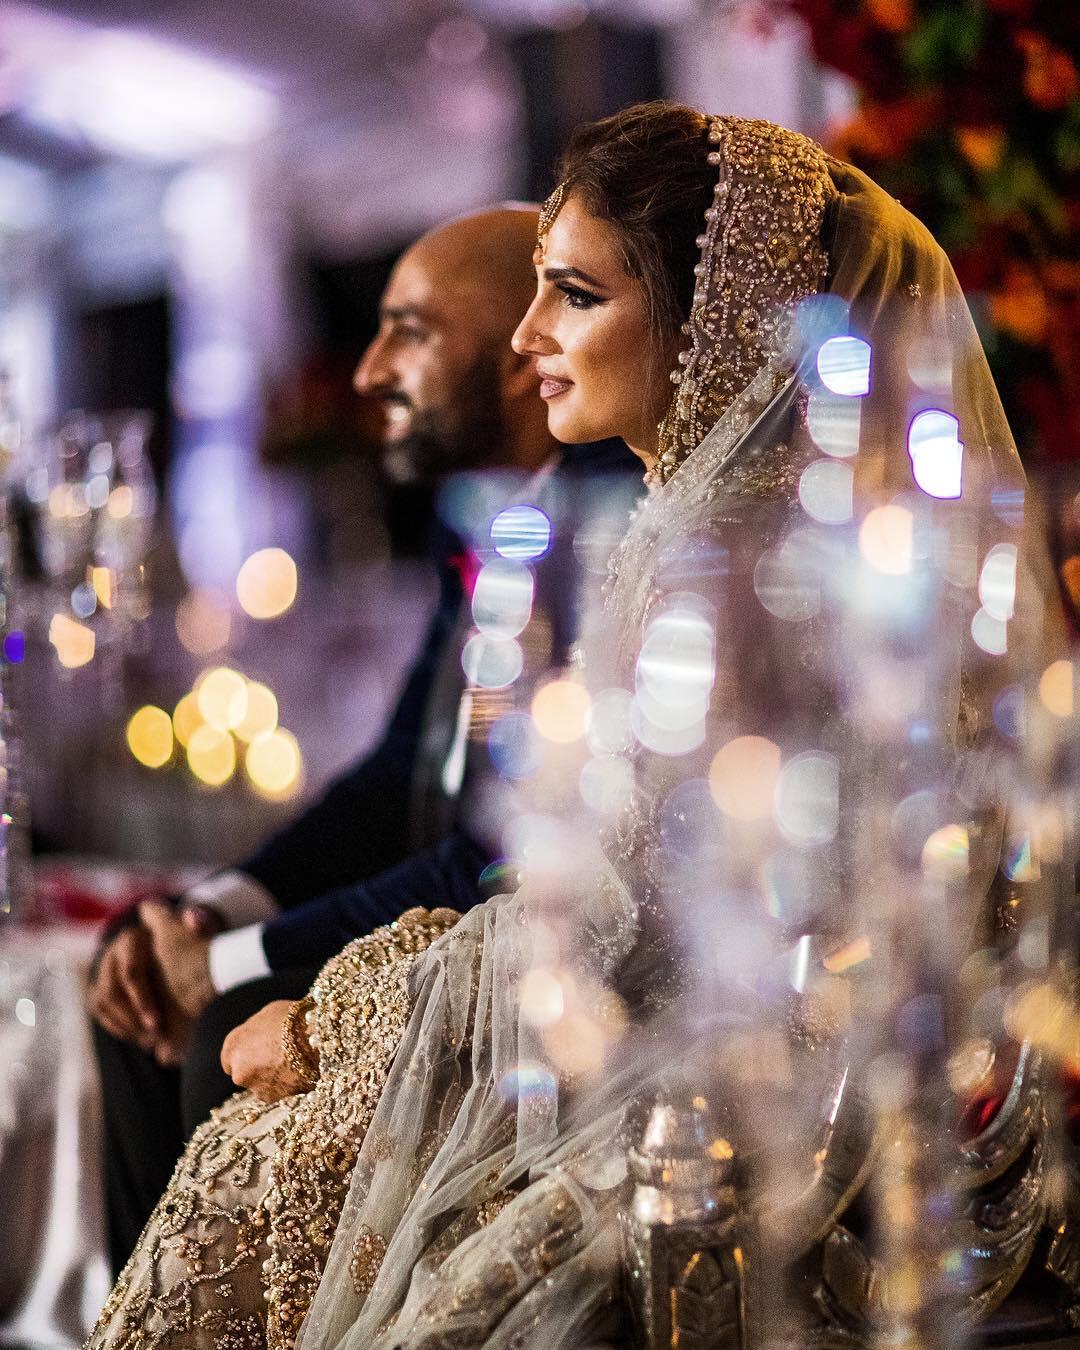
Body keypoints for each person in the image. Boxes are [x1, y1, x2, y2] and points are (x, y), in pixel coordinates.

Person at [87, 103, 1054, 1350]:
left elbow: (640, 920)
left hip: (755, 1094)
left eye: (575, 296)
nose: (531, 338)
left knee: (295, 1171)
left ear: (710, 322)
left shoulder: (755, 565)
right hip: (616, 1029)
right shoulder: (673, 528)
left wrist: (340, 1014)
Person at [87, 204, 639, 1275]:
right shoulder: (483, 529)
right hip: (438, 922)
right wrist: (207, 911)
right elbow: (395, 782)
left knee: (219, 1024)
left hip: (531, 963)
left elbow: (501, 850)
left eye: (414, 330)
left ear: (526, 352)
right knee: (129, 987)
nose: (370, 369)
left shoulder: (605, 549)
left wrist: (232, 963)